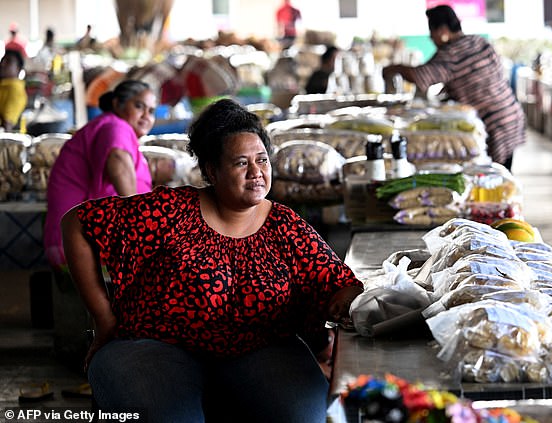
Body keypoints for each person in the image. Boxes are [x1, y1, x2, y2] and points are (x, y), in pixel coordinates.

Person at [60, 98, 363, 422]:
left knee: (304, 417)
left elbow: (338, 283)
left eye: (262, 160)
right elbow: (77, 223)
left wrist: (348, 303)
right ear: (210, 171)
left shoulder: (285, 227)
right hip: (154, 347)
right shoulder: (170, 211)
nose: (256, 173)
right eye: (240, 163)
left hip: (261, 349)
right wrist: (104, 318)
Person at [382, 5, 525, 170]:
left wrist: (394, 68)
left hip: (493, 123)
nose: (431, 38)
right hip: (510, 114)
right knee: (500, 173)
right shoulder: (478, 41)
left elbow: (420, 75)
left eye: (432, 32)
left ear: (443, 30)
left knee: (492, 177)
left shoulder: (451, 53)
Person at [44, 80, 158, 271]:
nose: (146, 116)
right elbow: (119, 160)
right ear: (117, 104)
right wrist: (141, 223)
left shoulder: (111, 126)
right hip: (81, 245)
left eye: (152, 111)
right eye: (139, 106)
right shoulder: (116, 127)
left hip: (78, 239)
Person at [0, 49, 27, 131]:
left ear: (18, 69)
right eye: (2, 60)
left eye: (8, 62)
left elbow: (7, 125)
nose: (2, 64)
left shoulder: (14, 88)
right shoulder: (4, 85)